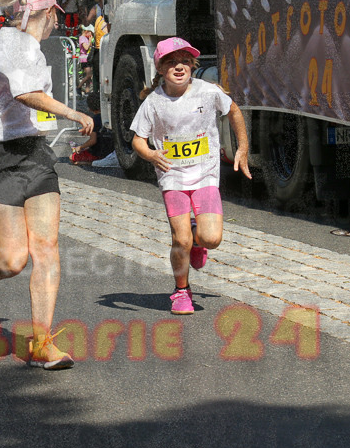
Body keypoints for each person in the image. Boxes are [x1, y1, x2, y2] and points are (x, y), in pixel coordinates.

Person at [0, 0, 93, 370]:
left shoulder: (28, 46)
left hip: (34, 155)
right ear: (46, 12)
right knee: (13, 261)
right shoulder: (15, 42)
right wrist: (71, 112)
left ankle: (41, 343)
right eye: (56, 17)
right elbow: (24, 94)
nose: (57, 24)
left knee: (46, 250)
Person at [129, 37, 251, 315]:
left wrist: (242, 147)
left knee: (211, 238)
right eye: (171, 62)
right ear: (160, 69)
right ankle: (181, 291)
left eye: (185, 61)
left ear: (193, 65)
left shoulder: (207, 92)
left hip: (205, 175)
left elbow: (233, 110)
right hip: (172, 178)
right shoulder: (153, 102)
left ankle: (199, 241)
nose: (179, 67)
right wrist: (149, 154)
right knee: (180, 240)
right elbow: (138, 139)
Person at [70, 92, 115, 166]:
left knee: (72, 157)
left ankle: (88, 163)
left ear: (90, 109)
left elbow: (93, 141)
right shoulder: (110, 116)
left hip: (98, 153)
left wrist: (80, 147)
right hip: (111, 151)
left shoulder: (94, 120)